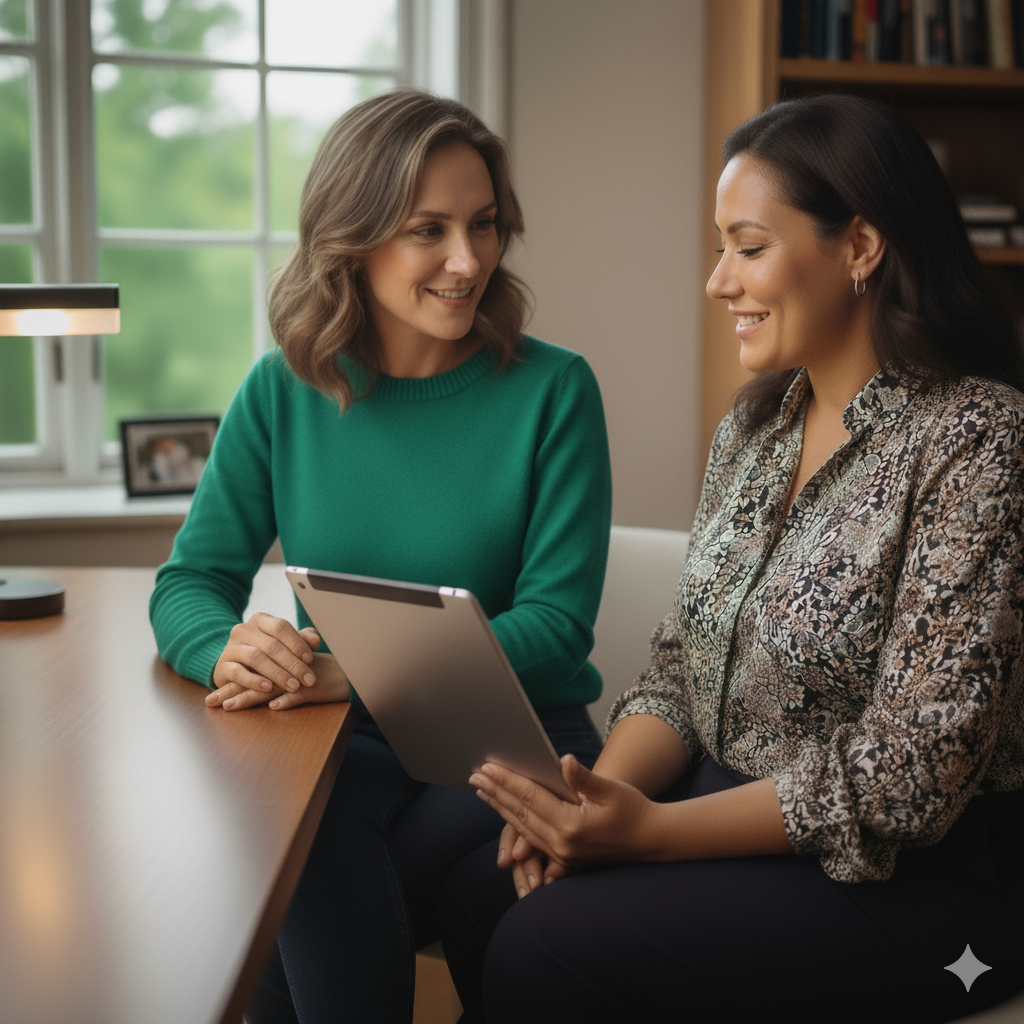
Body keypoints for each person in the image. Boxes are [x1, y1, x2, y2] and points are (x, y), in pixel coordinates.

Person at [439, 94, 1024, 1024]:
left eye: (747, 247)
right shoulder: (755, 428)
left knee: (543, 945)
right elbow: (683, 665)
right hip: (729, 813)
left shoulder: (979, 439)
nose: (718, 282)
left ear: (861, 248)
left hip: (923, 884)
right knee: (481, 890)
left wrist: (654, 835)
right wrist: (597, 804)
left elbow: (915, 769)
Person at [148, 89, 611, 1023]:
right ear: (351, 241)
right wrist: (221, 648)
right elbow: (191, 581)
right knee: (289, 839)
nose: (467, 260)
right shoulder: (283, 389)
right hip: (343, 743)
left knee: (290, 886)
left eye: (483, 225)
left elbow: (558, 631)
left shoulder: (554, 389)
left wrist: (347, 670)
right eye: (427, 230)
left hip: (513, 745)